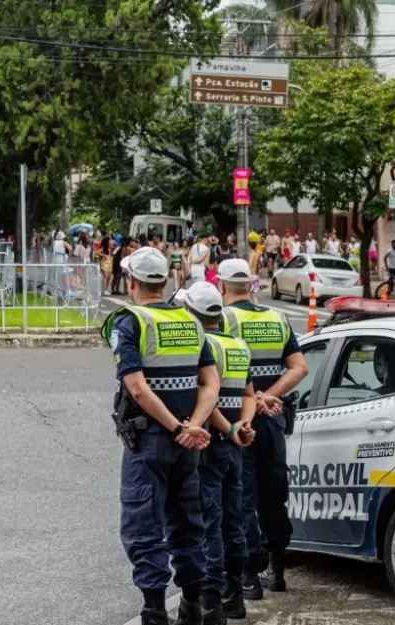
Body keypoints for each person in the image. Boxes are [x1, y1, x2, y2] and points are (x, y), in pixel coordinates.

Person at [100, 247, 221, 625]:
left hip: (150, 439)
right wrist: (193, 426)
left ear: (132, 282)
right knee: (188, 522)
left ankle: (155, 610)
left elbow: (137, 388)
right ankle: (191, 606)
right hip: (188, 445)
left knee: (143, 524)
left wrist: (177, 427)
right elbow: (211, 383)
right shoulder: (191, 322)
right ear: (165, 281)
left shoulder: (130, 322)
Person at [216, 258, 308, 600]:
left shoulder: (223, 319)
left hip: (239, 421)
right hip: (273, 419)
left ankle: (249, 578)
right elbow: (299, 367)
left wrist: (254, 399)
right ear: (251, 286)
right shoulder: (277, 318)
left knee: (241, 496)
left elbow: (218, 369)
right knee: (273, 493)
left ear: (221, 286)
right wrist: (270, 396)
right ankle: (278, 571)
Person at [179, 282, 257, 624]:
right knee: (233, 520)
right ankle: (235, 596)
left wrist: (228, 429)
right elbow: (250, 395)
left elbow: (206, 400)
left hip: (210, 444)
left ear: (192, 313)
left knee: (208, 524)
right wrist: (243, 426)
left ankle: (211, 603)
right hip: (235, 448)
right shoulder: (238, 345)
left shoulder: (203, 345)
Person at [248, 240, 262, 305]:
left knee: (249, 293)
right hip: (256, 275)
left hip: (251, 275)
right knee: (253, 294)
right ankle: (256, 305)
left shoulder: (252, 254)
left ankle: (253, 306)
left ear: (250, 247)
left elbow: (250, 264)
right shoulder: (257, 254)